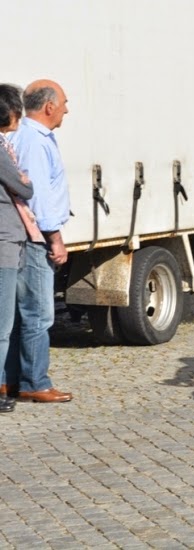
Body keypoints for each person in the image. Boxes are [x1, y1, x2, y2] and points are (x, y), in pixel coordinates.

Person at [6, 79, 73, 403]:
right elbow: (38, 197)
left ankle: (10, 380)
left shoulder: (27, 135)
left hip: (27, 235)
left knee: (20, 313)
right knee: (38, 312)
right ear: (49, 106)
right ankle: (34, 382)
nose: (66, 110)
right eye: (64, 103)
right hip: (35, 238)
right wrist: (55, 239)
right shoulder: (34, 140)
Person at [0, 86, 35, 412]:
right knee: (2, 326)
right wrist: (24, 180)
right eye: (17, 111)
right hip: (4, 243)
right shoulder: (0, 150)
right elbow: (23, 187)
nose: (20, 117)